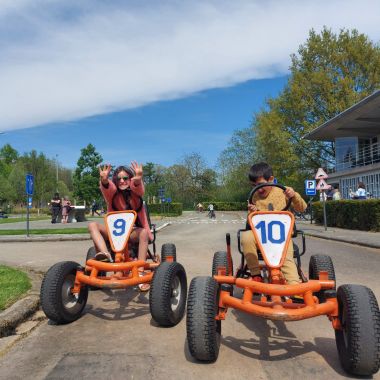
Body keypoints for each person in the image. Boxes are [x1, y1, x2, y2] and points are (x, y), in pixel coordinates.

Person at [88, 162, 153, 291]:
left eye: (125, 178)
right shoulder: (113, 194)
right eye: (119, 179)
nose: (122, 181)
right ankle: (105, 255)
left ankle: (139, 271)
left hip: (133, 232)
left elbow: (138, 189)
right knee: (92, 225)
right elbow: (107, 189)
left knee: (144, 233)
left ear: (130, 179)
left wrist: (138, 179)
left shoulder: (136, 194)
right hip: (114, 233)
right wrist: (104, 180)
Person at [241, 162, 307, 284]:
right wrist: (252, 213)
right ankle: (256, 275)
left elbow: (302, 208)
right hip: (260, 235)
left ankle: (294, 284)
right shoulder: (254, 195)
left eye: (260, 184)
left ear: (271, 179)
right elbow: (251, 222)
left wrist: (294, 195)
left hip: (282, 235)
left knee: (286, 257)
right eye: (254, 185)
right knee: (246, 237)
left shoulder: (284, 192)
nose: (258, 189)